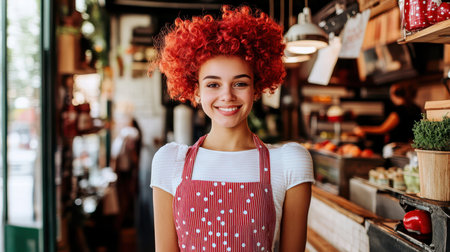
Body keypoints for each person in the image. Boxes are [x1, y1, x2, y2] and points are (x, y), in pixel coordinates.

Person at [150, 6, 314, 252]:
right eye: (213, 84)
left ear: (256, 89)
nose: (227, 95)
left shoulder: (290, 162)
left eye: (240, 83)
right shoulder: (169, 161)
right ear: (195, 90)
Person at [353, 82, 422, 143]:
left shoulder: (399, 111)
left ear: (394, 94)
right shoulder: (416, 108)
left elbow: (382, 129)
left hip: (399, 148)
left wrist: (362, 129)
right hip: (411, 146)